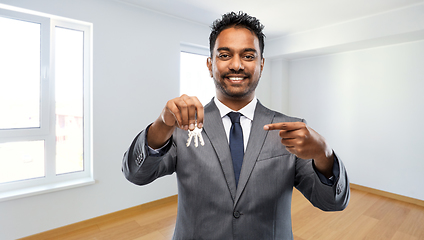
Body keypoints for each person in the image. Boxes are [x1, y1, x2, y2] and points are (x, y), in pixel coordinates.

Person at [122, 11, 349, 240]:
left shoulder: (291, 130)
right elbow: (136, 174)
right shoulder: (182, 126)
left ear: (261, 64)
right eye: (224, 55)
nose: (237, 65)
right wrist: (162, 124)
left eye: (248, 56)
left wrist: (324, 153)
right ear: (210, 65)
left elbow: (332, 202)